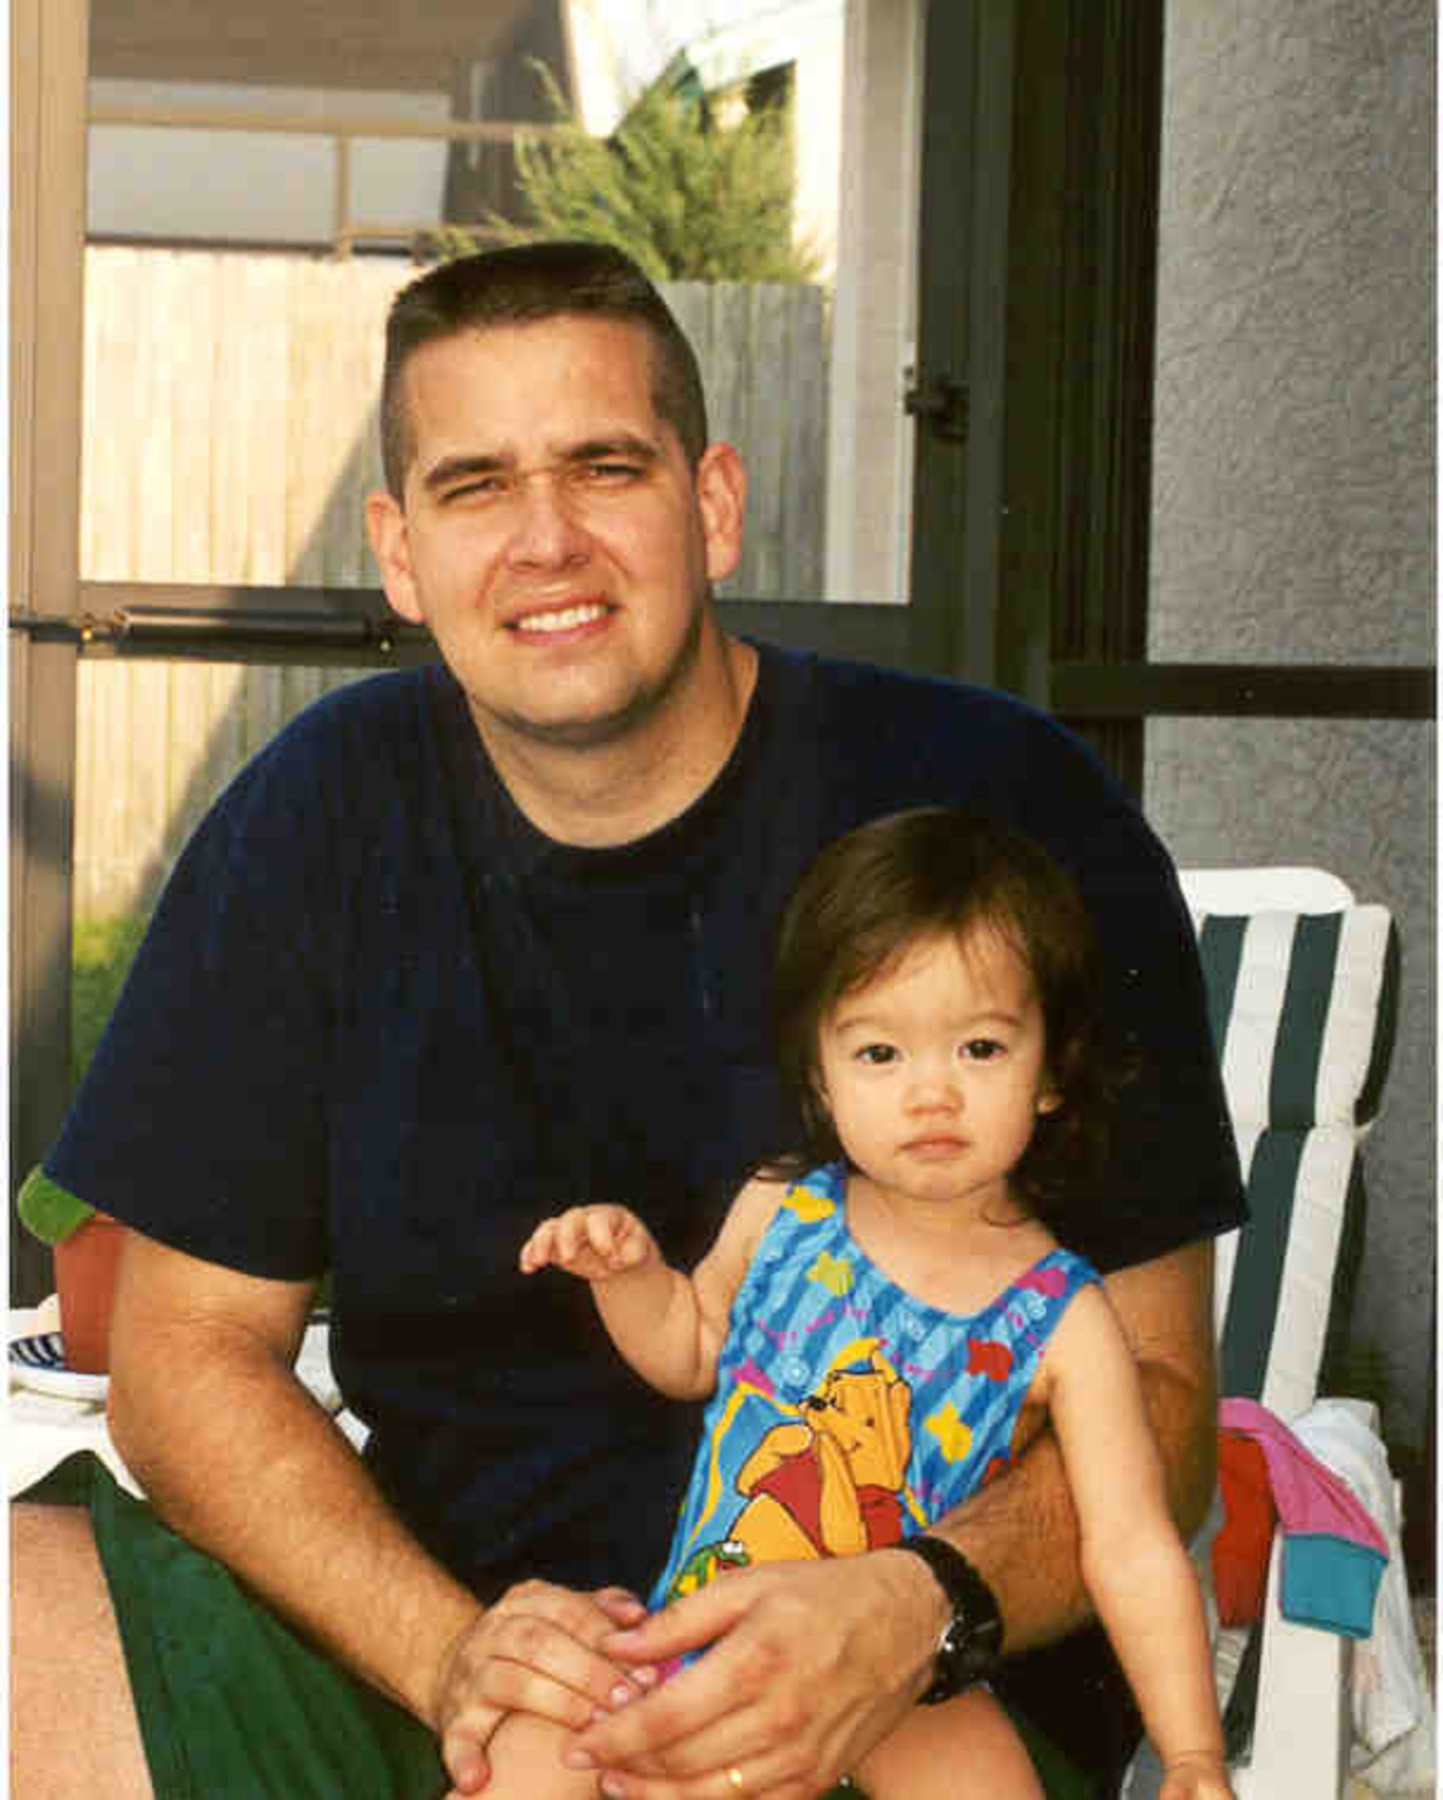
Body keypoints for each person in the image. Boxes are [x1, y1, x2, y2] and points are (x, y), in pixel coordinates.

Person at [11, 240, 1245, 1800]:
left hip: (895, 1704)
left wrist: (909, 1607)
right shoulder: (318, 815)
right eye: (474, 486)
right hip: (457, 1660)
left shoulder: (994, 808)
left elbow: (1158, 1404)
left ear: (711, 503)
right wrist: (448, 1657)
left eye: (603, 467)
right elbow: (185, 1354)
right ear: (399, 551)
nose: (545, 542)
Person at [514, 808, 1234, 1800]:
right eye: (880, 1055)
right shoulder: (784, 1210)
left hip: (896, 1679)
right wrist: (627, 1277)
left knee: (989, 1784)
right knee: (535, 1755)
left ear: (1052, 1073)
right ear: (820, 1076)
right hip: (704, 1626)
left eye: (978, 1048)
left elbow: (1132, 1548)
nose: (931, 1093)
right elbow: (690, 1347)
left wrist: (1193, 1755)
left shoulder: (1062, 1318)